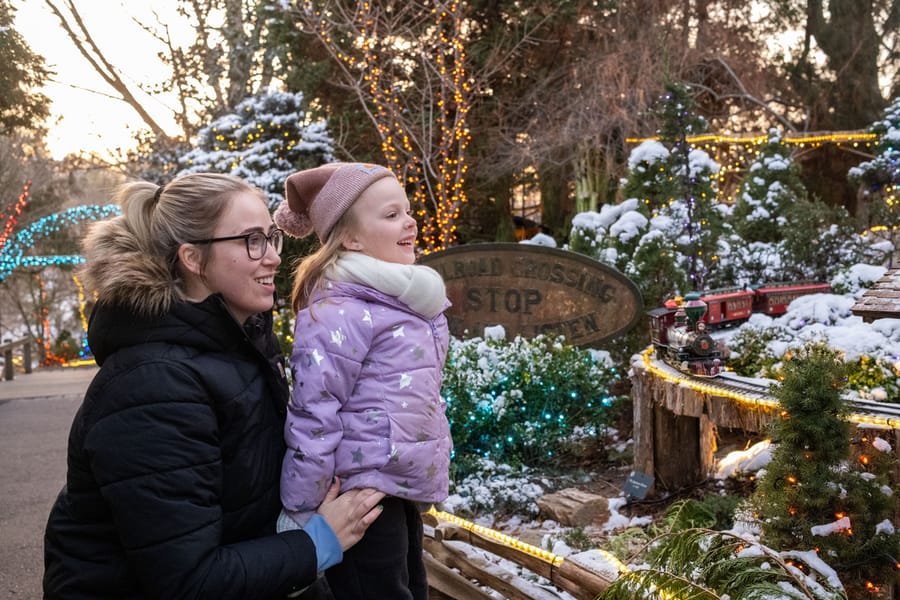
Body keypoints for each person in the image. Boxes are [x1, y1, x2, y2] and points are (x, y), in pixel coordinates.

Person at [43, 172, 385, 599]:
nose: (274, 257)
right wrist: (319, 542)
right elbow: (189, 582)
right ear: (192, 258)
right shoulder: (153, 387)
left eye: (271, 237)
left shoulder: (237, 347)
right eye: (251, 241)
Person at [273, 163, 453, 600]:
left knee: (411, 588)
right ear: (350, 238)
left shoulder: (400, 297)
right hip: (359, 498)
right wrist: (300, 508)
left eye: (407, 211)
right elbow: (314, 412)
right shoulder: (338, 310)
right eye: (391, 215)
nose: (410, 221)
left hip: (396, 485)